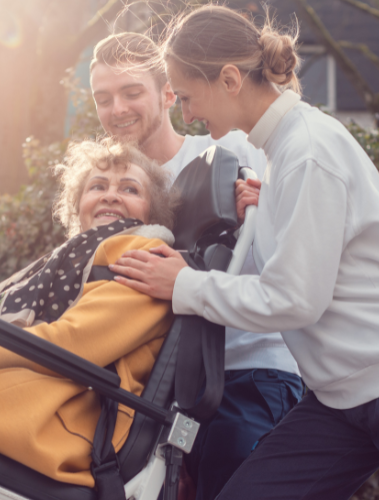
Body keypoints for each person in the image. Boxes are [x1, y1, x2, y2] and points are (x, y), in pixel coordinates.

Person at [109, 5, 379, 500]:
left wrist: (182, 284)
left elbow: (295, 300)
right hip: (339, 399)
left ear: (229, 79)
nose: (186, 116)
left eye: (186, 97)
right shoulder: (280, 153)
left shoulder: (308, 150)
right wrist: (266, 207)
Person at [90, 32, 303, 500]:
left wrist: (270, 209)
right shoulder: (113, 187)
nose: (117, 109)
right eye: (103, 98)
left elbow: (298, 256)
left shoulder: (231, 153)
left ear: (170, 94)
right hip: (167, 392)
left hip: (248, 371)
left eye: (131, 92)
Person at [0, 138, 177, 488]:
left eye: (130, 188)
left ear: (151, 212)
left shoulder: (144, 255)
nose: (111, 195)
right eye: (98, 186)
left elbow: (67, 343)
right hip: (24, 393)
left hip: (60, 417)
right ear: (78, 205)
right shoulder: (72, 259)